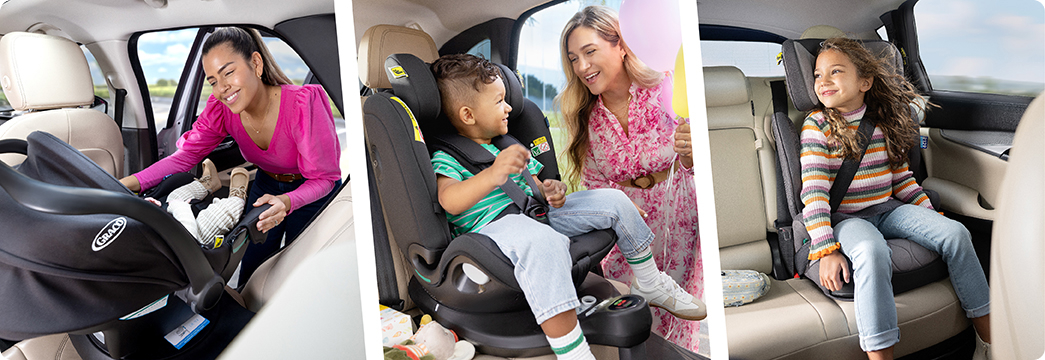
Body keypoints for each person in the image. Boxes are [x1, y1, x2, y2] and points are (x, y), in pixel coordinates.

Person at [429, 54, 705, 360]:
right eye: (499, 102)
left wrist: (552, 190)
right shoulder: (448, 157)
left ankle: (651, 282)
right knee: (544, 243)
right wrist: (492, 174)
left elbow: (535, 186)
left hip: (534, 213)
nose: (508, 107)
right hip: (493, 230)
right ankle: (573, 351)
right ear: (468, 114)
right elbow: (449, 200)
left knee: (613, 199)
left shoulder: (506, 145)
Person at [800, 38, 990, 360]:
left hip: (888, 208)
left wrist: (930, 216)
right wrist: (826, 250)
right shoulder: (817, 127)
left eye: (835, 71)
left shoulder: (883, 123)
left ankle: (990, 341)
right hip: (846, 218)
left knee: (956, 233)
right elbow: (815, 193)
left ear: (865, 81)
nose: (823, 81)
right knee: (871, 251)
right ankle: (881, 355)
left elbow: (901, 179)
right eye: (818, 75)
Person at [120, 27, 341, 285]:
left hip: (312, 192)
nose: (222, 88)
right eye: (213, 81)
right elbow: (183, 158)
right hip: (266, 186)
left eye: (229, 73)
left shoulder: (303, 104)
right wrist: (124, 185)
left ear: (255, 64)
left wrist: (287, 201)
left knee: (305, 271)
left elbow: (325, 178)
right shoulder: (223, 110)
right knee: (250, 268)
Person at [557, 6, 703, 352]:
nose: (582, 67)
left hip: (680, 220)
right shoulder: (584, 118)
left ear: (620, 45)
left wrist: (692, 155)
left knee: (676, 335)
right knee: (632, 332)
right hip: (625, 239)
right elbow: (594, 186)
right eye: (574, 59)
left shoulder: (667, 87)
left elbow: (697, 170)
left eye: (590, 52)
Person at [145, 159, 250, 249]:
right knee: (219, 216)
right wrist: (179, 207)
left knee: (174, 197)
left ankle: (207, 185)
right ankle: (237, 199)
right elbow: (187, 237)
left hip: (160, 229)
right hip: (184, 245)